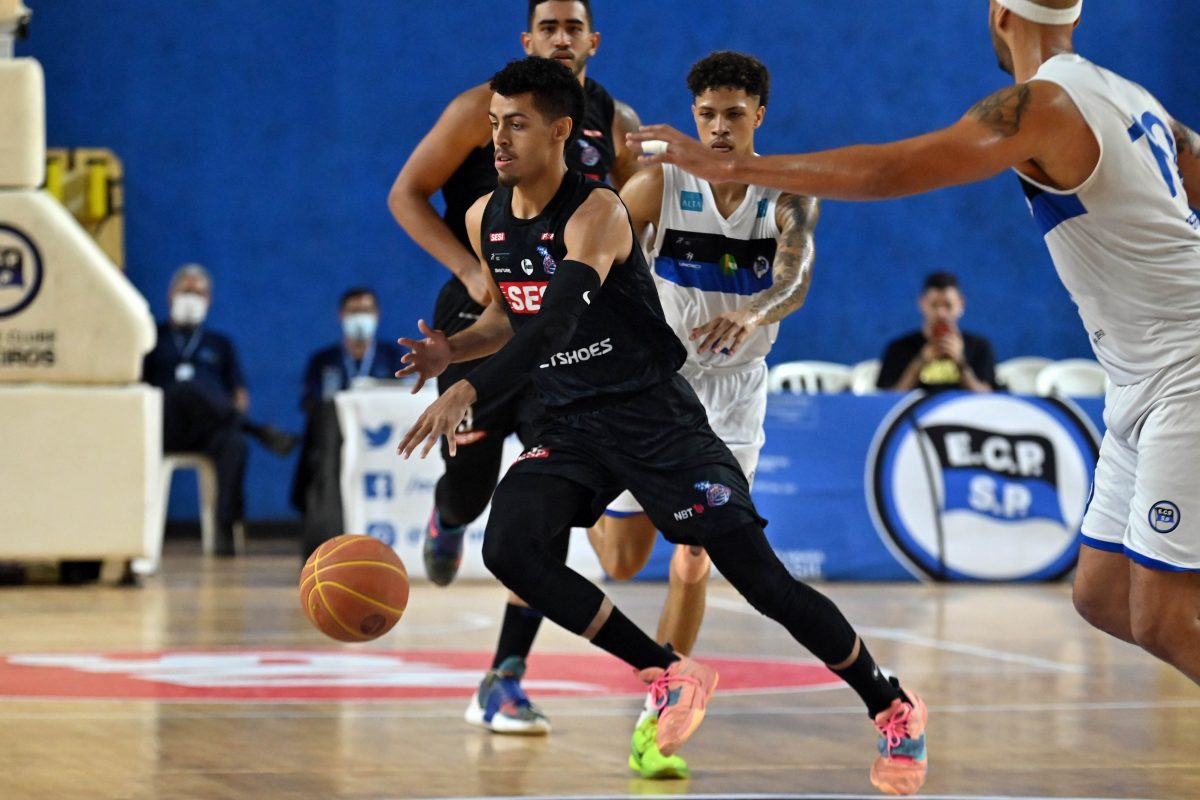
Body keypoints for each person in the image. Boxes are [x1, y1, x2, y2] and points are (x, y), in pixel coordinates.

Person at [397, 57, 929, 796]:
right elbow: (509, 316)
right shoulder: (485, 216)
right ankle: (667, 672)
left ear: (559, 131)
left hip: (654, 415)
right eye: (493, 124)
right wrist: (453, 351)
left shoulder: (599, 212)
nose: (498, 139)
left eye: (515, 124)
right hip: (572, 422)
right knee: (511, 546)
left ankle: (891, 704)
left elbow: (555, 323)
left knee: (762, 581)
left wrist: (468, 389)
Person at [628, 0, 1200, 686]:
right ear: (1074, 18)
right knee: (1101, 595)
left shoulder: (1045, 103)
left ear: (1000, 14)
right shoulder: (1133, 97)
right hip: (1140, 376)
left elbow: (888, 173)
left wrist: (733, 170)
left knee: (1164, 618)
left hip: (1183, 367)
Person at [387, 0, 642, 735]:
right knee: (471, 490)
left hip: (559, 330)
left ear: (593, 40)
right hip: (484, 315)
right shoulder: (481, 108)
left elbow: (628, 219)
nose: (561, 37)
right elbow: (406, 194)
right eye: (548, 27)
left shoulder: (613, 120)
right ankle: (448, 514)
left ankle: (505, 676)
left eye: (573, 26)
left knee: (544, 504)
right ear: (528, 39)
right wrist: (471, 270)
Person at [584, 50, 819, 779]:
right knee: (622, 562)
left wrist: (752, 313)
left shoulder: (787, 194)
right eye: (708, 115)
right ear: (693, 115)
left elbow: (795, 279)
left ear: (759, 117)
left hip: (736, 393)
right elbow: (593, 253)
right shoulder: (660, 184)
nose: (719, 128)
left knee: (695, 553)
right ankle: (584, 471)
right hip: (656, 384)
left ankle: (658, 720)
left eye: (734, 115)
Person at [142, 263, 297, 556]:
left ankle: (226, 525)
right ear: (170, 295)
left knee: (234, 444)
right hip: (164, 425)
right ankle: (258, 430)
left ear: (209, 300)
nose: (191, 298)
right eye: (186, 291)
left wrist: (230, 408)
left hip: (208, 428)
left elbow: (239, 396)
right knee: (185, 388)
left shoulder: (220, 344)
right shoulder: (152, 337)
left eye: (198, 293)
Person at [292, 288, 405, 560]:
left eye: (365, 311)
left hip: (380, 444)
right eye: (354, 311)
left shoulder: (392, 356)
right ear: (341, 316)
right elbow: (309, 403)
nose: (360, 317)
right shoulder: (323, 360)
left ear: (377, 315)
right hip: (333, 442)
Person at [875, 271, 996, 393]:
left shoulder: (979, 347)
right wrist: (920, 361)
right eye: (934, 305)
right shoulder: (898, 348)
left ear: (961, 304)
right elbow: (887, 398)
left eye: (948, 305)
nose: (941, 313)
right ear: (921, 303)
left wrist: (960, 363)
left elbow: (988, 397)